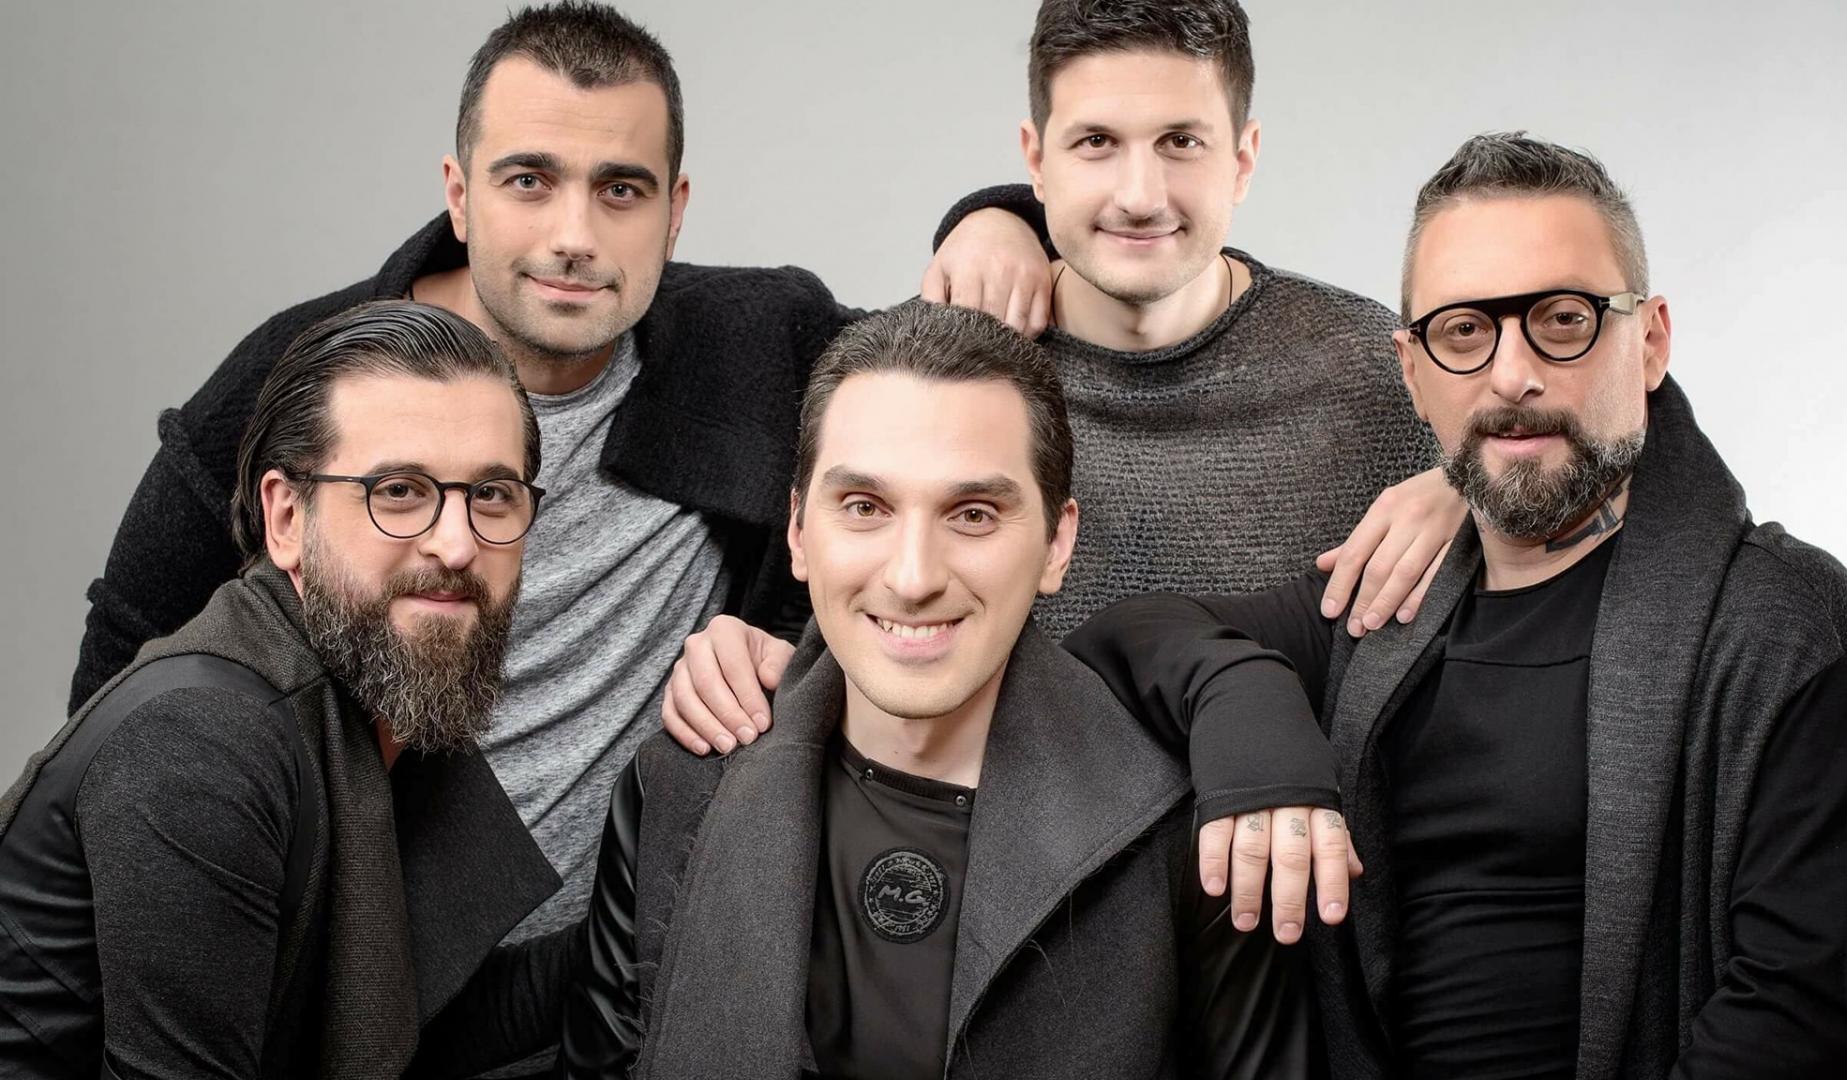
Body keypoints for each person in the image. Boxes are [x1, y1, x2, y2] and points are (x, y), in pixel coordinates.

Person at [63, 1, 1057, 994]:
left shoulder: (756, 344)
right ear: (460, 196)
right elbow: (130, 674)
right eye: (529, 181)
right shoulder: (310, 380)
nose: (575, 236)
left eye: (620, 189)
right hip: (332, 987)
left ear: (674, 209)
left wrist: (1001, 217)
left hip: (615, 981)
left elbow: (956, 388)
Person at [1064, 133, 1847, 1078]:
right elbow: (1116, 644)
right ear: (1412, 373)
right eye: (1465, 331)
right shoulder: (1386, 606)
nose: (1513, 374)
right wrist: (1257, 734)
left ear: (1651, 342)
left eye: (1563, 319)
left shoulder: (1793, 633)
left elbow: (1803, 1033)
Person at [660, 0, 1451, 942]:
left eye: (1182, 142)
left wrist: (1473, 490)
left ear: (1244, 157)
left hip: (1287, 940)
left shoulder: (1377, 375)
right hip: (1004, 948)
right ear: (1034, 161)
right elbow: (851, 622)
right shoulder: (942, 374)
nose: (1140, 194)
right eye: (1096, 143)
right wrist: (752, 655)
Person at [559, 303, 1313, 1080]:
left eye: (973, 514)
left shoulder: (1195, 833)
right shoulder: (673, 787)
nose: (913, 577)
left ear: (1057, 544)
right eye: (865, 508)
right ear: (798, 532)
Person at [0, 302, 571, 1079]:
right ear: (287, 517)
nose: (457, 544)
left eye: (492, 495)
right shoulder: (203, 740)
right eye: (399, 490)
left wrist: (664, 883)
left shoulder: (374, 685)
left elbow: (418, 1028)